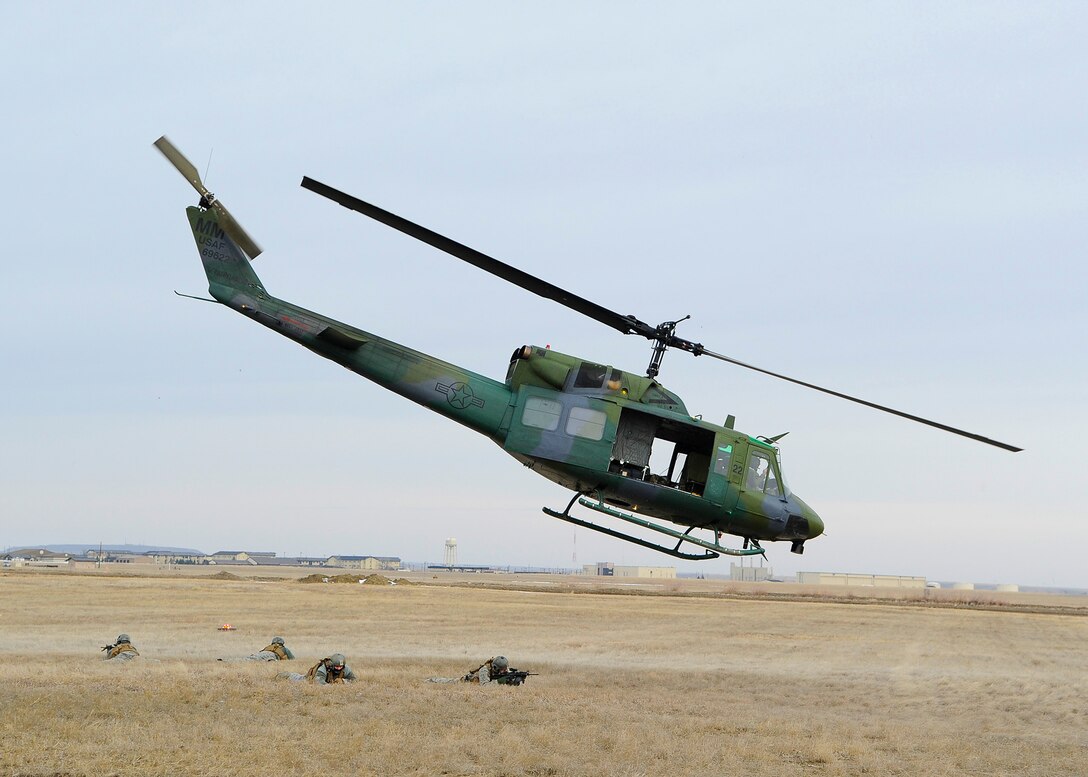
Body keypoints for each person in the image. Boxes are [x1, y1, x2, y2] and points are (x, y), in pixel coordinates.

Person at [428, 655, 520, 685]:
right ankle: (431, 680)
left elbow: (506, 675)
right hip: (466, 681)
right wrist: (501, 681)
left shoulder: (502, 670)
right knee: (444, 681)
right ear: (495, 668)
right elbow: (484, 685)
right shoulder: (484, 670)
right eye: (502, 670)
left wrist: (513, 679)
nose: (505, 671)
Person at [281, 653, 356, 684]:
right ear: (332, 665)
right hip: (304, 680)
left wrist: (343, 681)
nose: (339, 668)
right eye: (337, 667)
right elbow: (319, 683)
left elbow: (354, 680)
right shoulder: (323, 668)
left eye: (341, 667)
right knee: (292, 677)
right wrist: (333, 685)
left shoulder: (346, 668)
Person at [220, 635, 295, 662]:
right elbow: (292, 659)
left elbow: (261, 652)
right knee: (252, 661)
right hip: (271, 657)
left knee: (248, 659)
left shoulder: (268, 647)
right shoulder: (284, 649)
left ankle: (227, 660)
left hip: (262, 654)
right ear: (282, 643)